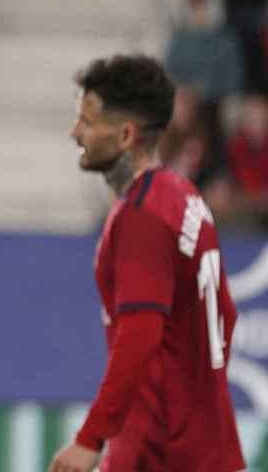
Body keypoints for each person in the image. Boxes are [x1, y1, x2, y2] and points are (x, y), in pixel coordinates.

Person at [50, 54, 245, 472]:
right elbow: (225, 316)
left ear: (124, 135)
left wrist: (90, 439)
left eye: (87, 121)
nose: (75, 133)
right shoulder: (184, 196)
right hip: (210, 449)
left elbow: (139, 336)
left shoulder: (142, 218)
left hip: (158, 453)